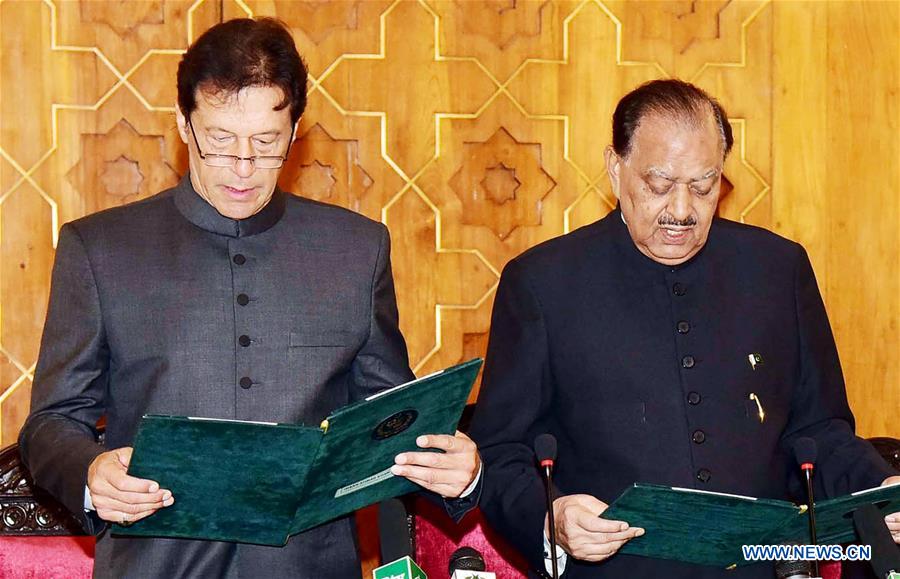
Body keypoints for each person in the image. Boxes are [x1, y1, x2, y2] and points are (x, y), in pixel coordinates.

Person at [19, 18, 480, 579]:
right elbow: (51, 422)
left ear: (295, 131)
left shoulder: (356, 250)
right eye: (219, 140)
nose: (242, 167)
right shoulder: (100, 248)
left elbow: (389, 424)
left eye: (266, 143)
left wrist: (458, 471)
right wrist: (92, 473)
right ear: (184, 124)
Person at [469, 79, 900, 579]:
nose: (681, 210)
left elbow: (819, 432)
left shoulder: (778, 270)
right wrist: (553, 517)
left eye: (703, 186)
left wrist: (883, 492)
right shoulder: (543, 283)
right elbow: (501, 453)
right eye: (659, 185)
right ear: (615, 168)